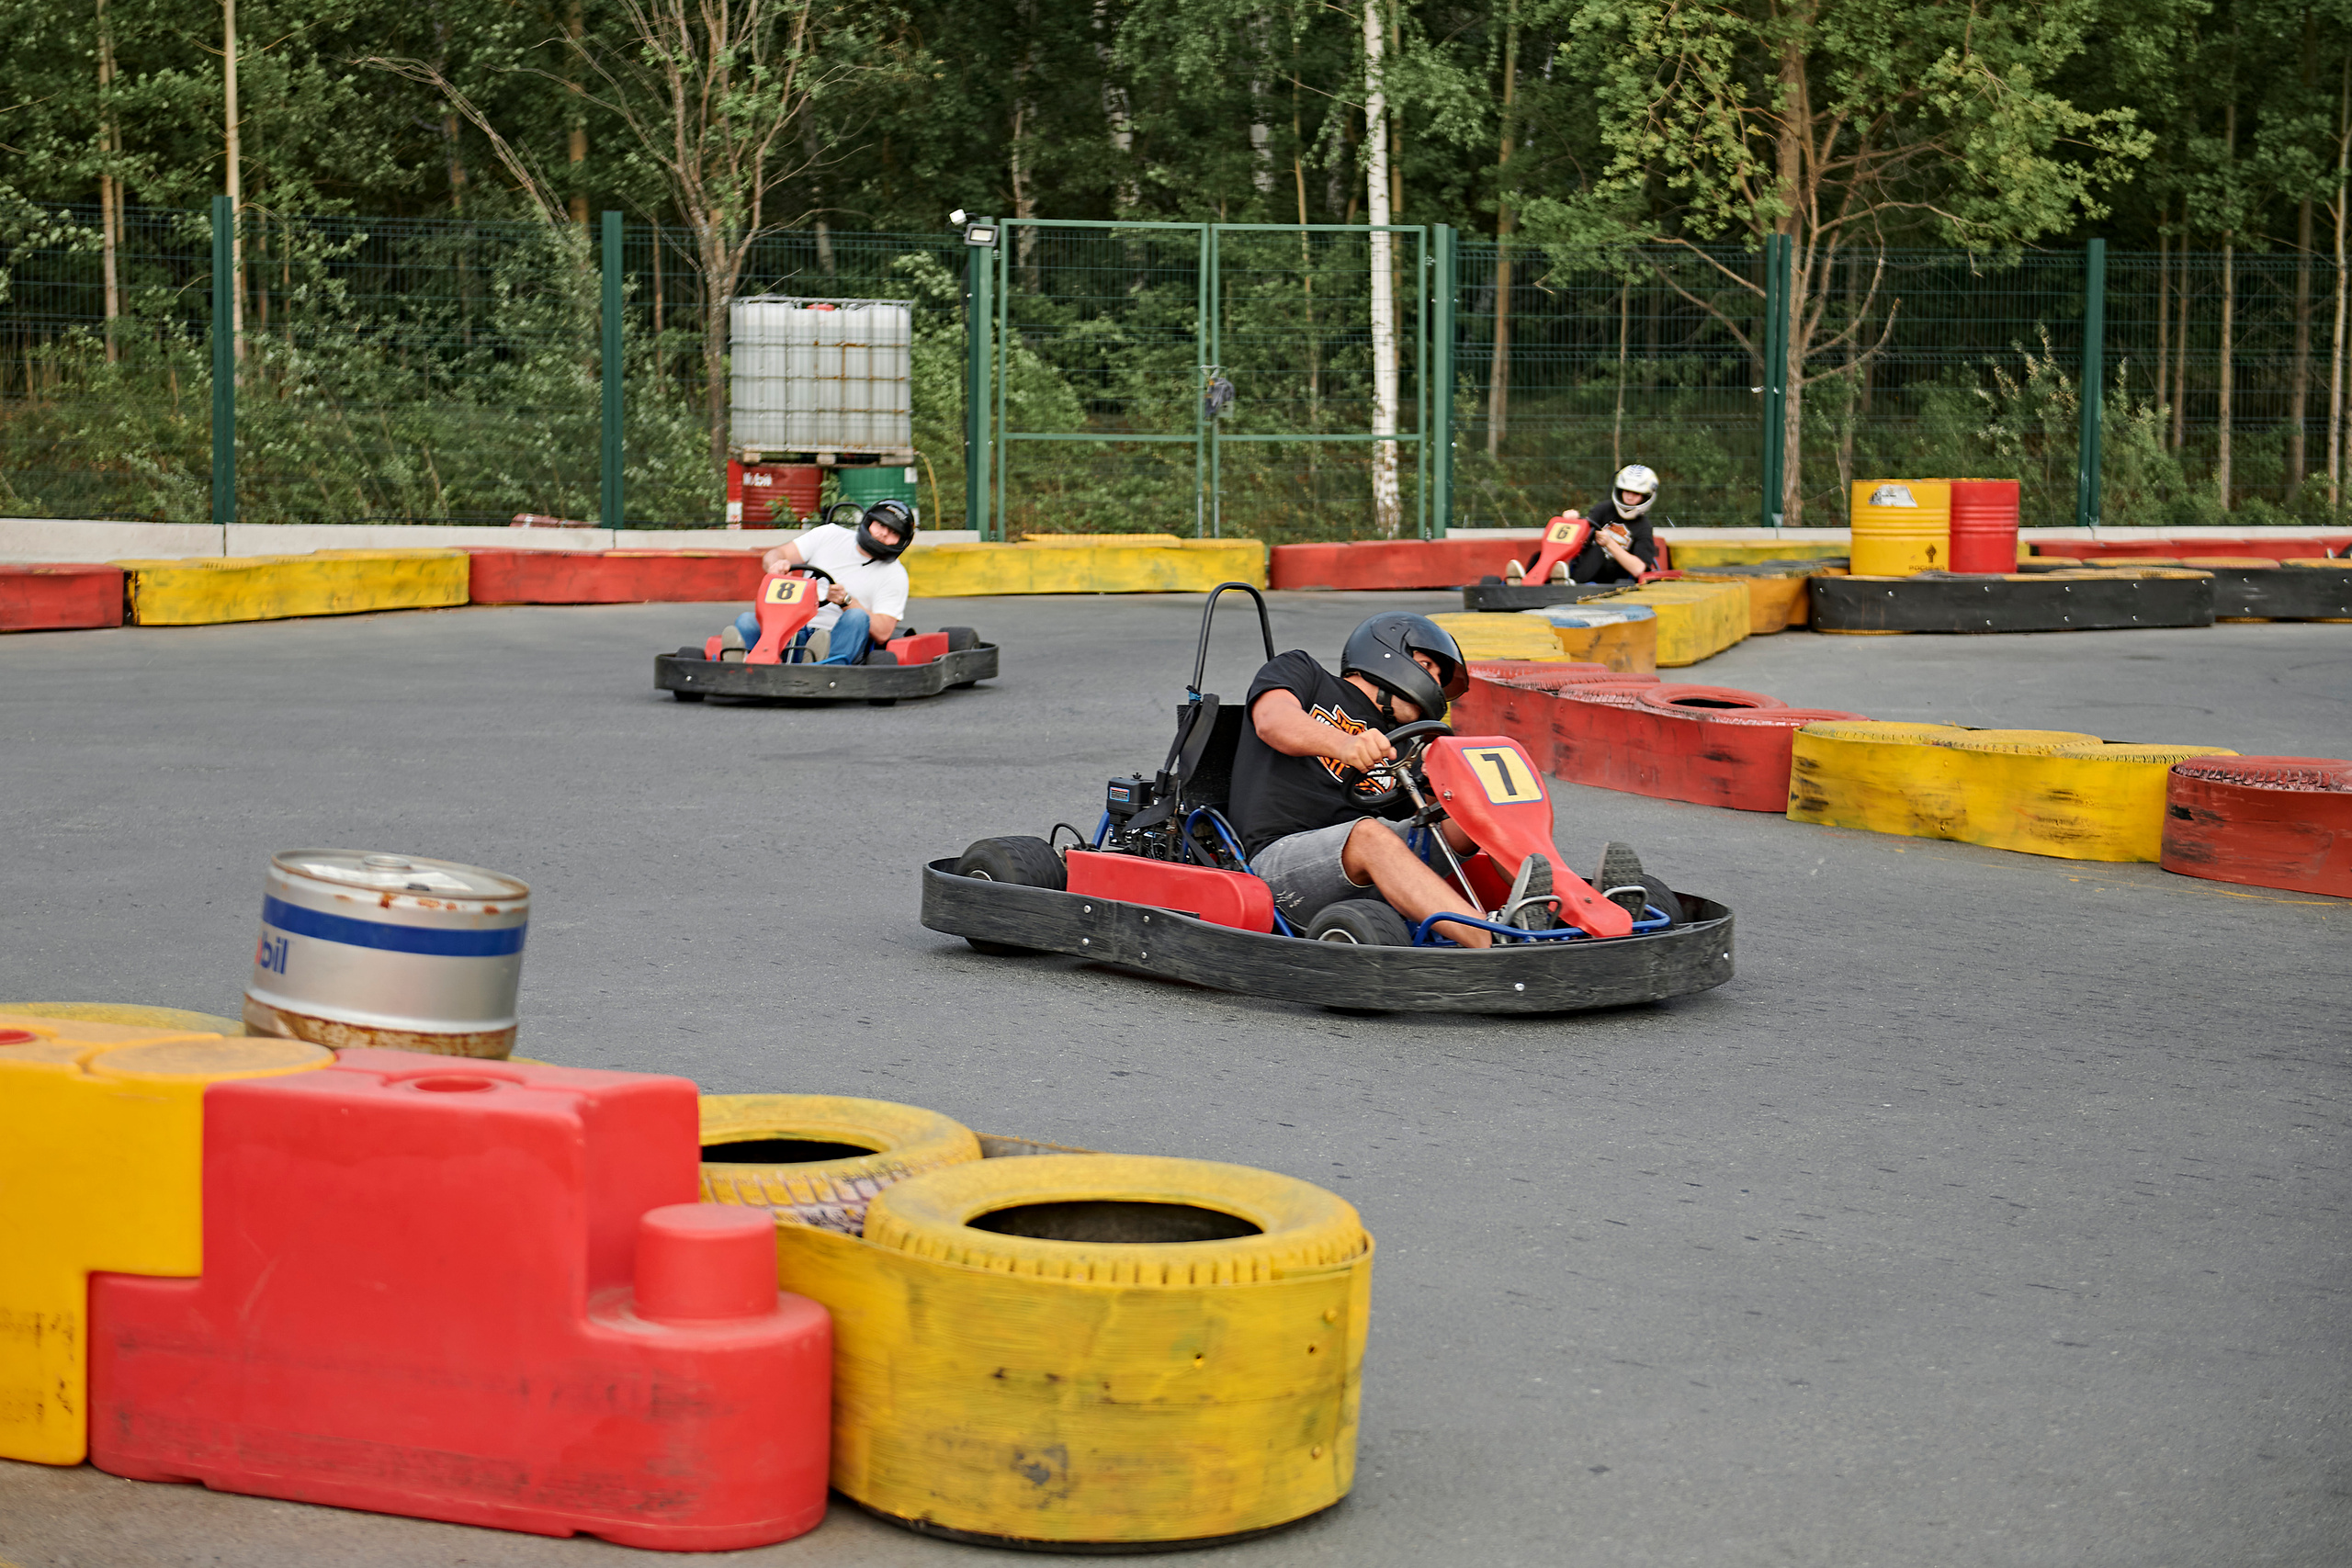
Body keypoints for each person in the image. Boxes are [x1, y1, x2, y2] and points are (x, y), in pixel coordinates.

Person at [1227, 612, 1549, 950]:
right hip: (1279, 864)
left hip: (1376, 868)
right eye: (1428, 667)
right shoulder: (1304, 671)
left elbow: (1425, 820)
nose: (1435, 683)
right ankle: (1491, 940)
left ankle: (1557, 911)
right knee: (1369, 834)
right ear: (1385, 652)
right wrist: (1344, 744)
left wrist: (1447, 785)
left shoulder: (1405, 745)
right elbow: (1272, 719)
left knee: (1477, 810)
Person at [718, 499, 915, 664]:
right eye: (881, 525)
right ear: (869, 522)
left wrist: (846, 601)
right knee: (747, 620)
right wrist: (775, 565)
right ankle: (748, 666)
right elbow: (776, 553)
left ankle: (822, 665)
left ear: (901, 541)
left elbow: (883, 632)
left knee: (857, 617)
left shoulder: (895, 574)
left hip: (836, 636)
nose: (883, 534)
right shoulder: (829, 535)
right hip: (791, 628)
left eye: (893, 533)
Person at [1566, 463, 1663, 584]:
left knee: (1599, 552)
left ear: (1646, 497)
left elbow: (1638, 569)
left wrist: (1609, 543)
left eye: (1636, 493)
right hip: (1585, 569)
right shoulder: (1603, 509)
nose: (1629, 497)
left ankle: (1571, 583)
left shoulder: (1643, 527)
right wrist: (1572, 521)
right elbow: (1583, 534)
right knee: (1594, 550)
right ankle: (1557, 577)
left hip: (1615, 580)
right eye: (1626, 491)